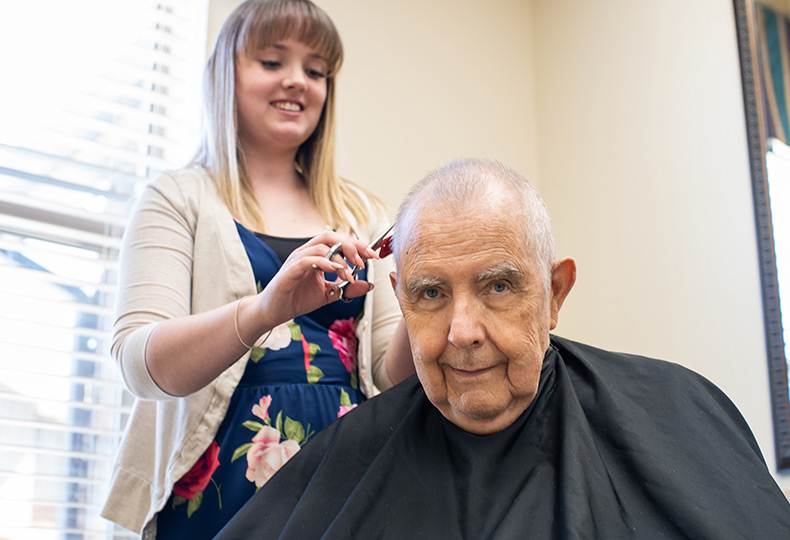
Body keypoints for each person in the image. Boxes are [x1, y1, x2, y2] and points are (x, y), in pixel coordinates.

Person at [215, 158, 790, 539]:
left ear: (555, 292)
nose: (463, 331)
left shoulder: (678, 413)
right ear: (401, 300)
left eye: (497, 286)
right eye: (431, 293)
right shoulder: (347, 464)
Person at [101, 0, 414, 537]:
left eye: (316, 71)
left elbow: (389, 375)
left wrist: (424, 292)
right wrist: (264, 311)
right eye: (272, 62)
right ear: (227, 74)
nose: (298, 81)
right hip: (219, 485)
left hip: (346, 478)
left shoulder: (365, 213)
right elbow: (137, 363)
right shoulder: (177, 199)